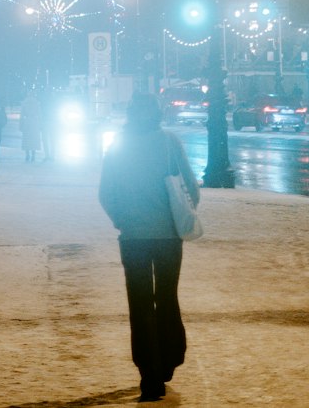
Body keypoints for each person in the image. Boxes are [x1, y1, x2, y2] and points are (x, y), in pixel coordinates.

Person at [98, 91, 200, 403]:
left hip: (133, 237)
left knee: (140, 303)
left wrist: (121, 219)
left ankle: (149, 376)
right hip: (168, 236)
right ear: (157, 114)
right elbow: (191, 189)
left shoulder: (118, 144)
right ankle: (170, 357)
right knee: (166, 297)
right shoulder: (170, 142)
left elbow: (106, 192)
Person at [20, 88, 42, 162]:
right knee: (34, 139)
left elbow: (22, 115)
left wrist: (21, 124)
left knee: (27, 139)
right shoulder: (37, 102)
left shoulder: (24, 102)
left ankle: (27, 154)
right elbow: (39, 114)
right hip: (34, 122)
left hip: (27, 122)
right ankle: (33, 154)